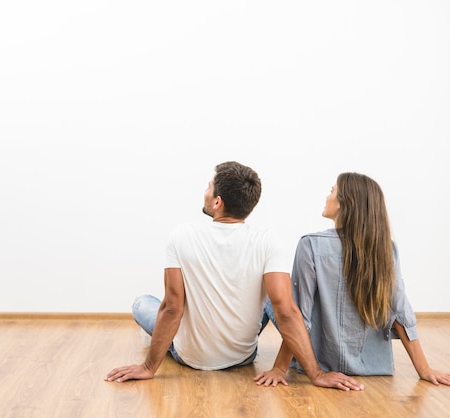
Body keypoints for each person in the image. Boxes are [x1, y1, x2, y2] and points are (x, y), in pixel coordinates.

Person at [105, 161, 363, 391]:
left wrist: (148, 367)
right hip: (242, 357)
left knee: (142, 302)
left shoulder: (181, 236)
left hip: (191, 358)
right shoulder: (267, 240)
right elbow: (286, 312)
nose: (205, 192)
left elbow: (173, 308)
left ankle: (161, 340)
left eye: (208, 187)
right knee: (276, 299)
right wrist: (316, 374)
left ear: (218, 202)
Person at [259, 172, 450, 386]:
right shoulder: (386, 248)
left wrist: (279, 369)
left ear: (345, 203)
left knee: (269, 296)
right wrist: (424, 368)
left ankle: (240, 356)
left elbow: (298, 313)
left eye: (332, 191)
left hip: (321, 361)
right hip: (372, 365)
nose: (327, 196)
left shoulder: (310, 245)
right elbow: (400, 310)